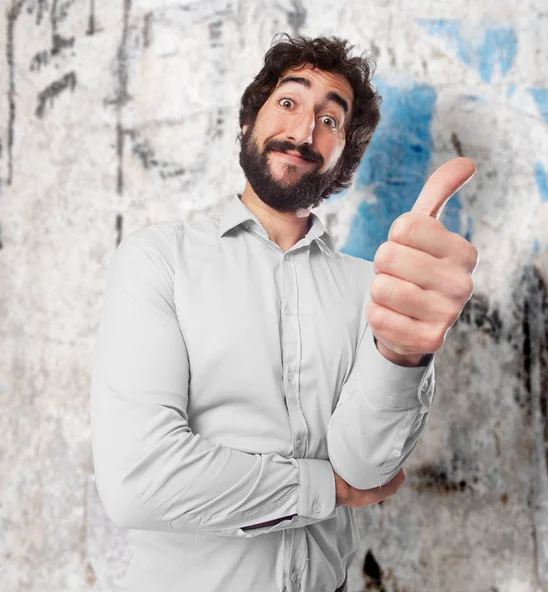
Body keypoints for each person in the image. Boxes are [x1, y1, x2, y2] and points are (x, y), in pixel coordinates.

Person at [90, 34, 477, 592]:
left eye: (331, 120)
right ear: (249, 123)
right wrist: (325, 489)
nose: (303, 132)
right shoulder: (158, 260)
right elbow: (137, 481)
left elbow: (366, 469)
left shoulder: (373, 287)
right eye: (290, 102)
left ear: (345, 158)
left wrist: (400, 353)